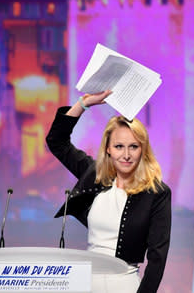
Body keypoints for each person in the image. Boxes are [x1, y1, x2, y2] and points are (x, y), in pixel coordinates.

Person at [45, 90, 172, 293]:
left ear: (143, 150)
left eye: (134, 147)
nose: (126, 154)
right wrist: (83, 104)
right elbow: (57, 142)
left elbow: (157, 258)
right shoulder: (93, 174)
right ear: (108, 149)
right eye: (119, 146)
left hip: (125, 285)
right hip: (87, 284)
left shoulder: (157, 193)